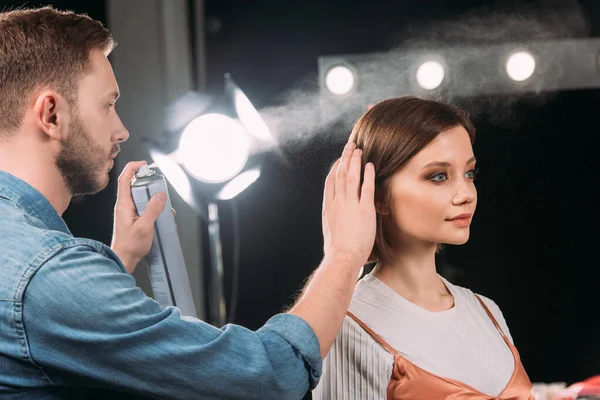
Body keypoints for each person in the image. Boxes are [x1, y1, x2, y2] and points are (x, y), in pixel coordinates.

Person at [0, 7, 377, 399]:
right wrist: (345, 254)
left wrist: (120, 259)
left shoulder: (30, 265)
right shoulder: (47, 276)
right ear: (51, 113)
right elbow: (266, 378)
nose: (121, 130)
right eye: (108, 105)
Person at [312, 97, 535, 399]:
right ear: (377, 193)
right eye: (438, 176)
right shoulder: (348, 324)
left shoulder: (486, 311)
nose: (466, 194)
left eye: (469, 173)